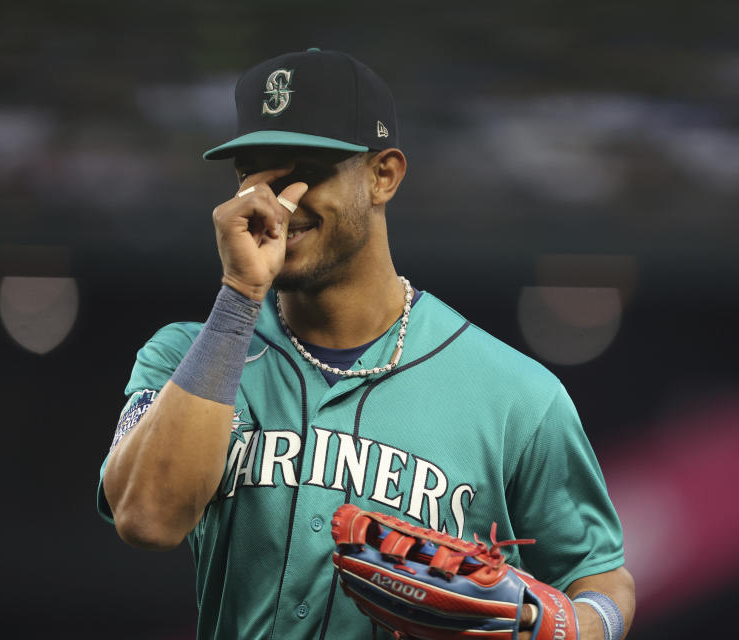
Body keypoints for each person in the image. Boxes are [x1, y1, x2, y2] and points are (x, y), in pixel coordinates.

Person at [96, 48, 635, 640]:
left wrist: (574, 629)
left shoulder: (518, 398)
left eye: (307, 169)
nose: (280, 201)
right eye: (256, 172)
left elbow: (602, 579)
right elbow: (147, 520)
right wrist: (239, 296)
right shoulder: (186, 359)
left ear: (384, 176)